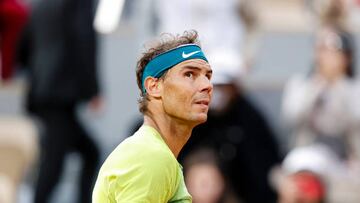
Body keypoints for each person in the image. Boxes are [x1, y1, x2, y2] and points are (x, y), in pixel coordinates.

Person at [92, 30, 213, 202]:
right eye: (189, 74)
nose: (207, 85)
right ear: (154, 86)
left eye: (208, 76)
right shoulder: (151, 156)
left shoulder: (153, 153)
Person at [16, 0, 101, 202]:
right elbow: (83, 40)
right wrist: (93, 89)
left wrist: (37, 72)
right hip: (60, 93)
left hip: (41, 91)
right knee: (54, 161)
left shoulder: (40, 4)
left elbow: (24, 47)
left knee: (87, 152)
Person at [179, 49, 281, 203]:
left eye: (224, 85)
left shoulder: (250, 120)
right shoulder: (186, 115)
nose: (217, 92)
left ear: (235, 87)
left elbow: (262, 169)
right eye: (213, 85)